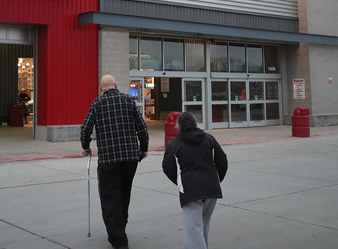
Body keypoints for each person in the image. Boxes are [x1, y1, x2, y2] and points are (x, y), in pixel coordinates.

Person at [81, 75, 149, 249]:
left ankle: (118, 238)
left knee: (110, 197)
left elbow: (85, 128)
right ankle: (120, 228)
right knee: (124, 194)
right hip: (130, 159)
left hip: (108, 160)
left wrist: (86, 146)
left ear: (101, 88)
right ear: (116, 86)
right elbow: (142, 127)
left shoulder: (97, 103)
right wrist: (143, 149)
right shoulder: (128, 100)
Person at [162, 111, 228, 249]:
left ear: (178, 126)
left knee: (193, 230)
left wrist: (181, 182)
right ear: (195, 123)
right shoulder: (209, 139)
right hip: (211, 187)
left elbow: (167, 167)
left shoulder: (174, 144)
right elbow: (222, 161)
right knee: (203, 224)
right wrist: (215, 180)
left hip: (190, 189)